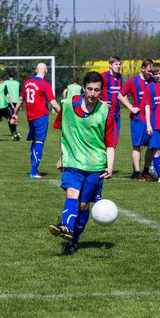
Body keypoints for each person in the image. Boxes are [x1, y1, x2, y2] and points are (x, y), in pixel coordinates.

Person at [48, 71, 117, 255]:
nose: (93, 94)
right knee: (71, 194)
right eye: (89, 89)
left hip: (95, 166)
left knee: (83, 205)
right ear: (83, 89)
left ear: (101, 91)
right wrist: (62, 156)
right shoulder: (68, 106)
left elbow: (110, 144)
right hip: (73, 162)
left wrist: (110, 166)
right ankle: (66, 227)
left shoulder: (105, 112)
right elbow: (64, 130)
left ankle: (73, 240)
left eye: (97, 90)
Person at [12, 63, 60, 179]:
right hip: (41, 116)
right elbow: (53, 103)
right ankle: (33, 172)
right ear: (46, 71)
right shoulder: (44, 84)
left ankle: (34, 170)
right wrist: (64, 114)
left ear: (35, 70)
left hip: (30, 117)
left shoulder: (27, 82)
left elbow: (20, 100)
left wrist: (15, 114)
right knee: (39, 142)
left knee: (34, 141)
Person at [118, 58, 154, 181]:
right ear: (142, 68)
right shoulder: (134, 81)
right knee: (137, 146)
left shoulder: (153, 80)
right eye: (149, 70)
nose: (151, 73)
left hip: (152, 119)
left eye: (152, 70)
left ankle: (146, 170)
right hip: (138, 119)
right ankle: (137, 173)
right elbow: (120, 95)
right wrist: (131, 107)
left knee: (153, 146)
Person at [100, 55, 123, 141]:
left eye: (119, 64)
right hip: (106, 113)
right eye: (116, 64)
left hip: (117, 114)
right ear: (110, 65)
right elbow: (93, 92)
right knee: (105, 140)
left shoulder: (120, 77)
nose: (118, 66)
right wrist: (100, 102)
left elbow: (121, 94)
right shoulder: (103, 77)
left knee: (115, 140)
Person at [3, 71, 22, 140]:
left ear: (8, 76)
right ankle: (14, 132)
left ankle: (14, 133)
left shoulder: (5, 82)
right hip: (17, 102)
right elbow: (21, 94)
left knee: (11, 118)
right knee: (13, 117)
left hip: (8, 102)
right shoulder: (18, 83)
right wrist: (21, 104)